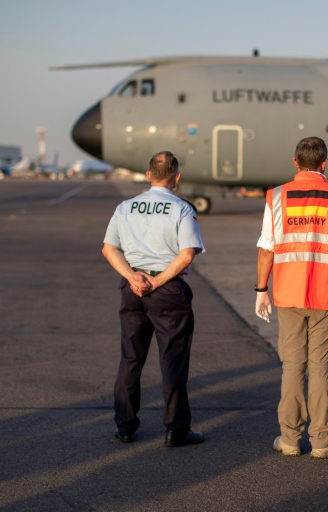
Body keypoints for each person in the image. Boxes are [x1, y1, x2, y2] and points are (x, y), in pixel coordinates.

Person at [255, 136, 328, 459]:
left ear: (294, 162)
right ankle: (322, 443)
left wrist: (261, 289)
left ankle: (289, 440)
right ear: (324, 163)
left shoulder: (276, 197)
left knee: (292, 366)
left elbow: (265, 249)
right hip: (327, 295)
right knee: (320, 367)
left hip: (288, 293)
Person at [102, 150, 206, 447]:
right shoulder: (182, 209)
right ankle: (176, 429)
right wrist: (158, 281)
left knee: (131, 358)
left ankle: (124, 426)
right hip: (167, 289)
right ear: (177, 177)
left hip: (132, 288)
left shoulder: (126, 207)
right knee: (172, 360)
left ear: (149, 175)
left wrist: (133, 277)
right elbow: (187, 254)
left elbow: (109, 249)